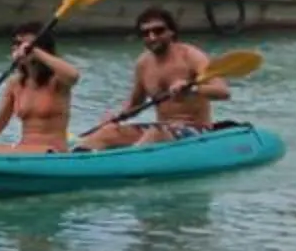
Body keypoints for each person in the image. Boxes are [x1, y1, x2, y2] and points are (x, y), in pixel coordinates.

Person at [81, 8, 226, 149]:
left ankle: (128, 163)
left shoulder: (191, 56)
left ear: (171, 31)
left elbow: (223, 92)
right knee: (107, 132)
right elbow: (135, 103)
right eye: (146, 33)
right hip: (163, 128)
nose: (152, 37)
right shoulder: (143, 64)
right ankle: (78, 157)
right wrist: (116, 116)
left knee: (155, 134)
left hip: (196, 130)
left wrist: (191, 88)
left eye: (158, 31)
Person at [0, 22, 79, 153]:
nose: (19, 48)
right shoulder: (14, 84)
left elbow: (73, 75)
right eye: (16, 44)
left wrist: (34, 51)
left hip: (52, 151)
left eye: (24, 45)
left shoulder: (57, 80)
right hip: (24, 149)